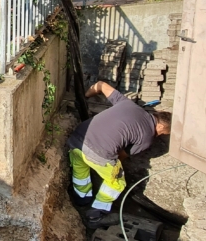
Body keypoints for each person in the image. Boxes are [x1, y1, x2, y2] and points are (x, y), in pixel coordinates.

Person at [66, 80, 172, 227]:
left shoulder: (128, 105)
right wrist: (112, 169)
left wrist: (83, 97)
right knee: (117, 182)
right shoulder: (147, 137)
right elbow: (122, 155)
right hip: (98, 152)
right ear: (159, 125)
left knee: (81, 170)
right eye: (162, 133)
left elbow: (101, 85)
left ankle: (81, 200)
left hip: (76, 141)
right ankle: (95, 216)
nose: (159, 135)